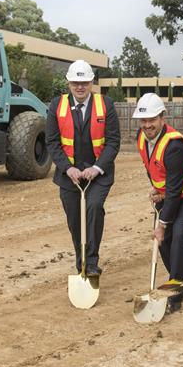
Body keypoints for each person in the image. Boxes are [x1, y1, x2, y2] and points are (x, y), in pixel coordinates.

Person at [45, 60, 121, 278]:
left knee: (94, 208)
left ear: (91, 83)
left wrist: (97, 168)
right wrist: (67, 168)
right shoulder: (56, 105)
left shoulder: (106, 104)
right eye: (76, 82)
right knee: (74, 219)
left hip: (98, 174)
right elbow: (52, 142)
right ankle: (82, 264)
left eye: (85, 83)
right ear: (68, 83)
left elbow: (114, 142)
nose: (80, 87)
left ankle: (92, 263)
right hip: (70, 176)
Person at [133, 93, 183, 313]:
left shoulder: (175, 146)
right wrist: (157, 190)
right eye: (144, 121)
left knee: (178, 232)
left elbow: (175, 192)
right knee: (163, 241)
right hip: (170, 193)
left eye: (152, 120)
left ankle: (175, 287)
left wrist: (163, 223)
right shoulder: (141, 137)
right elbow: (152, 168)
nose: (147, 125)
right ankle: (182, 280)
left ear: (162, 117)